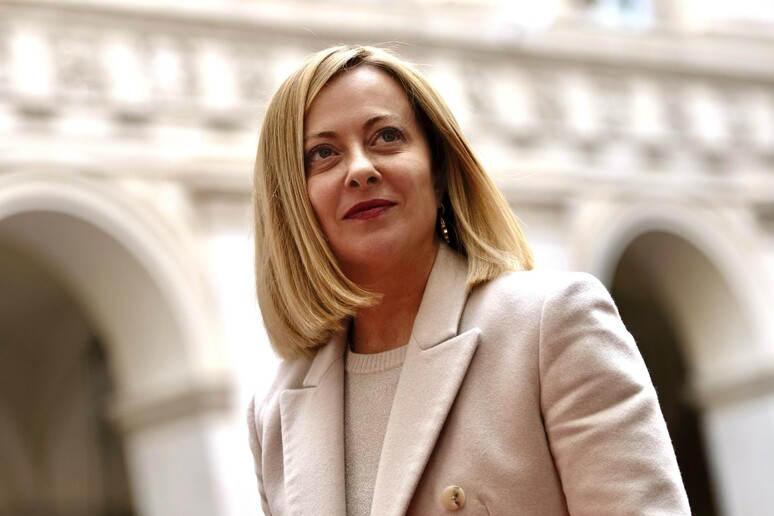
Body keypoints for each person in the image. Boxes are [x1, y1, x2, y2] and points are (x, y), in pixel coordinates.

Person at [247, 44, 690, 515]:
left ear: (438, 169)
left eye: (387, 137)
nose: (360, 169)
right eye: (323, 153)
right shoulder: (273, 410)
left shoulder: (553, 322)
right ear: (291, 199)